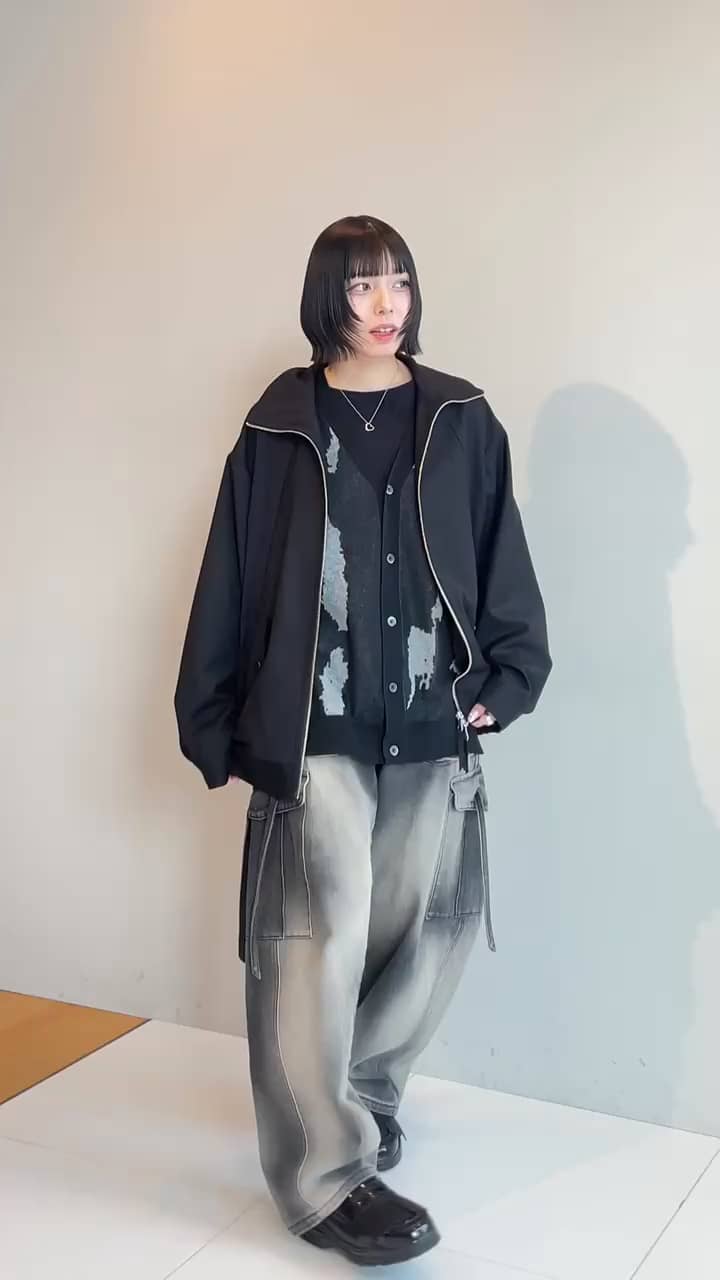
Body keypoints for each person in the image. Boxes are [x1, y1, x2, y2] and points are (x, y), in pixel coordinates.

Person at [174, 215, 551, 1267]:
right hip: (316, 725)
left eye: (399, 282)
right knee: (312, 942)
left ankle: (364, 1099)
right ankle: (323, 1180)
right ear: (324, 298)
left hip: (433, 719)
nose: (386, 304)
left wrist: (508, 676)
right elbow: (232, 568)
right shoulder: (280, 426)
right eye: (360, 286)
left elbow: (499, 550)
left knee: (426, 930)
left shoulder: (461, 417)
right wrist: (213, 714)